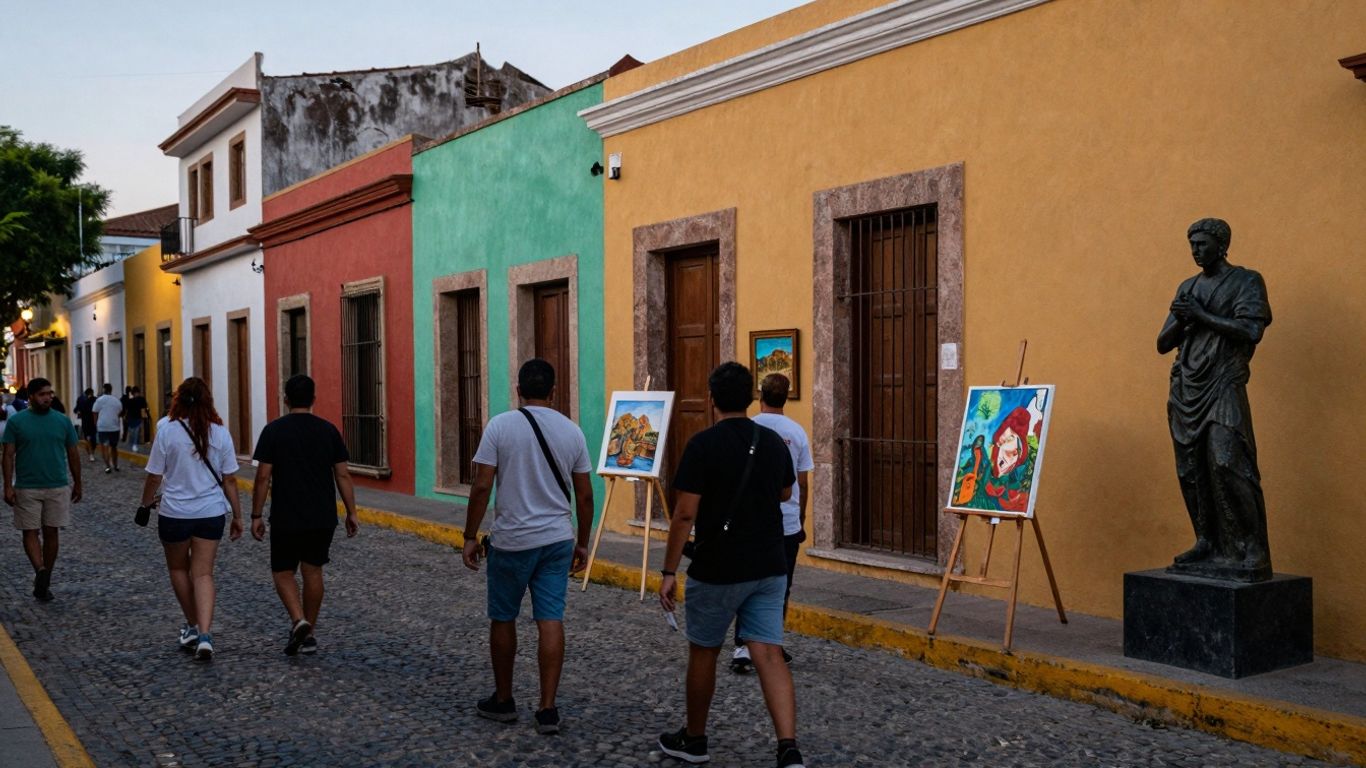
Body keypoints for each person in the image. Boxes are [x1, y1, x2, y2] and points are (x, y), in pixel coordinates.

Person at [657, 362, 803, 768]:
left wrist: (668, 571)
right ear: (751, 398)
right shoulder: (772, 442)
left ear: (711, 399)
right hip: (769, 563)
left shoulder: (703, 445)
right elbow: (785, 491)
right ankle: (788, 748)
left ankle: (695, 739)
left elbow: (685, 514)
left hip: (718, 565)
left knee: (704, 651)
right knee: (769, 654)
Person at [461, 358, 594, 735]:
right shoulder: (572, 432)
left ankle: (504, 700)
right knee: (550, 619)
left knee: (503, 617)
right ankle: (547, 708)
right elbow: (585, 496)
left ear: (518, 390)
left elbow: (482, 486)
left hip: (512, 540)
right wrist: (583, 543)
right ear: (554, 392)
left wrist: (469, 535)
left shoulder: (500, 426)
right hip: (557, 540)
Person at [1157, 217, 1273, 582]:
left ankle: (1253, 548)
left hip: (1223, 382)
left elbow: (1251, 330)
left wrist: (1202, 315)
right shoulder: (1188, 287)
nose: (1195, 250)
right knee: (1190, 470)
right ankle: (1205, 541)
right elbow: (1162, 343)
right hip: (1186, 387)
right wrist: (1183, 320)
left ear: (1221, 245)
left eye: (1202, 244)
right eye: (1192, 244)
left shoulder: (1246, 281)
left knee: (1227, 461)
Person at [250, 375, 359, 656]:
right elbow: (342, 475)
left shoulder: (273, 431)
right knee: (313, 570)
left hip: (286, 514)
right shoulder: (329, 431)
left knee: (282, 571)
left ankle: (298, 619)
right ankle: (308, 634)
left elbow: (263, 477)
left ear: (286, 399)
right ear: (313, 399)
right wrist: (352, 512)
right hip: (321, 515)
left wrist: (256, 515)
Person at [137, 377, 243, 661]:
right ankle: (205, 635)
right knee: (204, 574)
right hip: (211, 512)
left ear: (179, 400)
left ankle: (193, 626)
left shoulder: (167, 431)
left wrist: (145, 504)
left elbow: (154, 476)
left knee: (178, 569)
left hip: (175, 513)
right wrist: (238, 516)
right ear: (208, 400)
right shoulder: (220, 433)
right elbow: (230, 480)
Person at [730, 372, 812, 674]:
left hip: (751, 520)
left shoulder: (748, 428)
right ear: (786, 397)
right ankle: (772, 643)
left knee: (747, 582)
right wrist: (800, 518)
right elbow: (802, 483)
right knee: (781, 587)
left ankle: (743, 645)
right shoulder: (797, 432)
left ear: (760, 396)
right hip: (786, 523)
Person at [1, 378, 82, 602]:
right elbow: (8, 455)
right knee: (30, 531)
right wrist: (7, 485)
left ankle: (45, 576)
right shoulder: (17, 422)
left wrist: (78, 482)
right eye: (42, 394)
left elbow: (73, 453)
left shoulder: (62, 421)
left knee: (51, 532)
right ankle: (40, 570)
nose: (47, 398)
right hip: (27, 487)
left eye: (49, 393)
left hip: (57, 486)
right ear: (31, 397)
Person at [91, 383, 123, 473]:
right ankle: (115, 465)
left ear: (104, 389)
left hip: (102, 427)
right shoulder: (116, 400)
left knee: (104, 447)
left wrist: (96, 423)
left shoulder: (99, 400)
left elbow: (94, 412)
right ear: (111, 390)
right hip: (114, 427)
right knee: (114, 447)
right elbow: (120, 411)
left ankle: (108, 466)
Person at [74, 388, 97, 462]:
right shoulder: (81, 399)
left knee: (93, 439)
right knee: (88, 438)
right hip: (86, 422)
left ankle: (91, 452)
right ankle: (91, 454)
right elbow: (77, 408)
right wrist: (78, 411)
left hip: (93, 422)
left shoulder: (95, 400)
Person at [125, 387, 149, 452]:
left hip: (131, 418)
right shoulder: (141, 399)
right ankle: (134, 444)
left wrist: (126, 417)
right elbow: (144, 408)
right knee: (136, 432)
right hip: (137, 417)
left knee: (132, 432)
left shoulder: (130, 400)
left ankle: (133, 444)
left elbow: (127, 409)